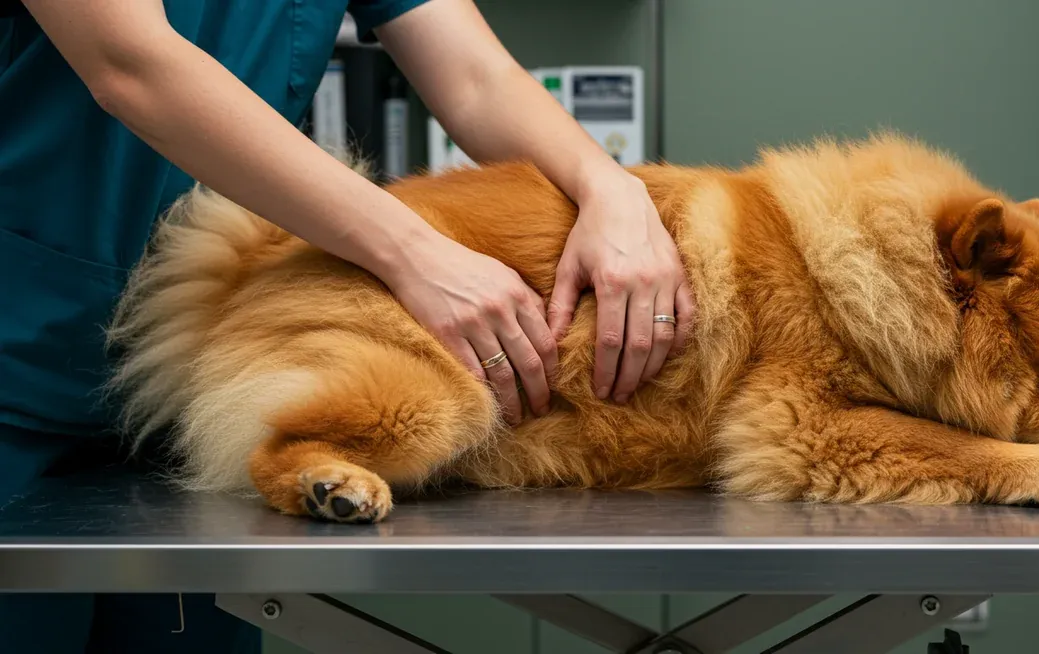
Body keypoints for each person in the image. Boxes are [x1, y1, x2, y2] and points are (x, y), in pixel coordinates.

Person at [0, 0, 694, 651]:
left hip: (208, 367)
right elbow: (131, 63)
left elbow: (478, 78)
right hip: (22, 352)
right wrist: (415, 252)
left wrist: (611, 188)